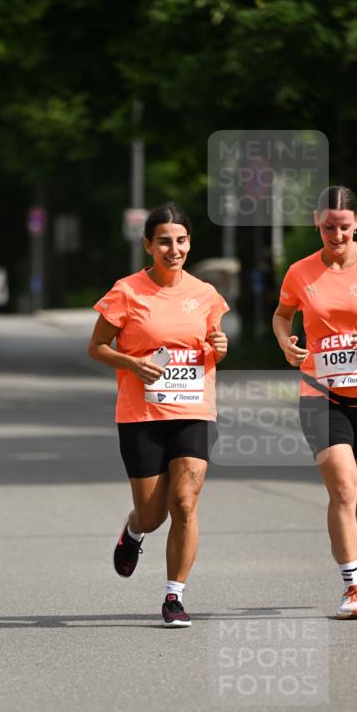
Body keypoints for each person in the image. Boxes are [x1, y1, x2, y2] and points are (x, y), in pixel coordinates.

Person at [88, 202, 229, 627]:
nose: (174, 248)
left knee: (185, 504)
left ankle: (174, 596)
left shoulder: (205, 294)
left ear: (190, 243)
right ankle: (133, 532)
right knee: (154, 514)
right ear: (148, 244)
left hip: (193, 410)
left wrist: (220, 348)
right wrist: (132, 363)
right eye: (164, 241)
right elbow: (97, 347)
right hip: (141, 414)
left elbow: (213, 342)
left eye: (181, 240)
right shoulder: (127, 291)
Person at [273, 185, 357, 619]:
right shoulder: (300, 272)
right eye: (328, 226)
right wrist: (286, 344)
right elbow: (282, 313)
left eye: (344, 227)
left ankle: (348, 537)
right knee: (343, 489)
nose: (336, 235)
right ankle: (352, 587)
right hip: (322, 395)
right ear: (317, 222)